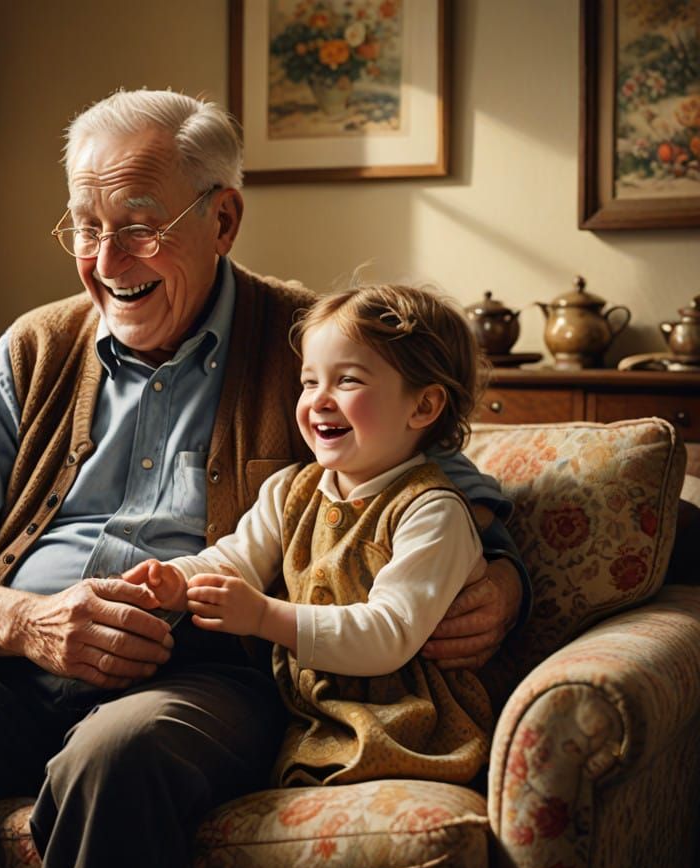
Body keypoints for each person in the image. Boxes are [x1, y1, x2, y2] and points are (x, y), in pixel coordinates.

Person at [0, 89, 527, 868]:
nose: (106, 261)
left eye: (138, 227)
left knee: (121, 755)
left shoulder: (313, 346)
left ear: (223, 220)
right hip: (4, 660)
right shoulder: (34, 348)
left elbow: (435, 469)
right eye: (86, 227)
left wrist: (504, 574)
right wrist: (26, 622)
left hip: (199, 674)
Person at [125, 283, 498, 788]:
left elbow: (388, 634)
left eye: (347, 381)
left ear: (424, 406)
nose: (318, 401)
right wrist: (177, 580)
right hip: (305, 715)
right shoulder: (291, 490)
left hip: (400, 723)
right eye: (308, 382)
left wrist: (261, 616)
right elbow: (235, 558)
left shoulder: (433, 513)